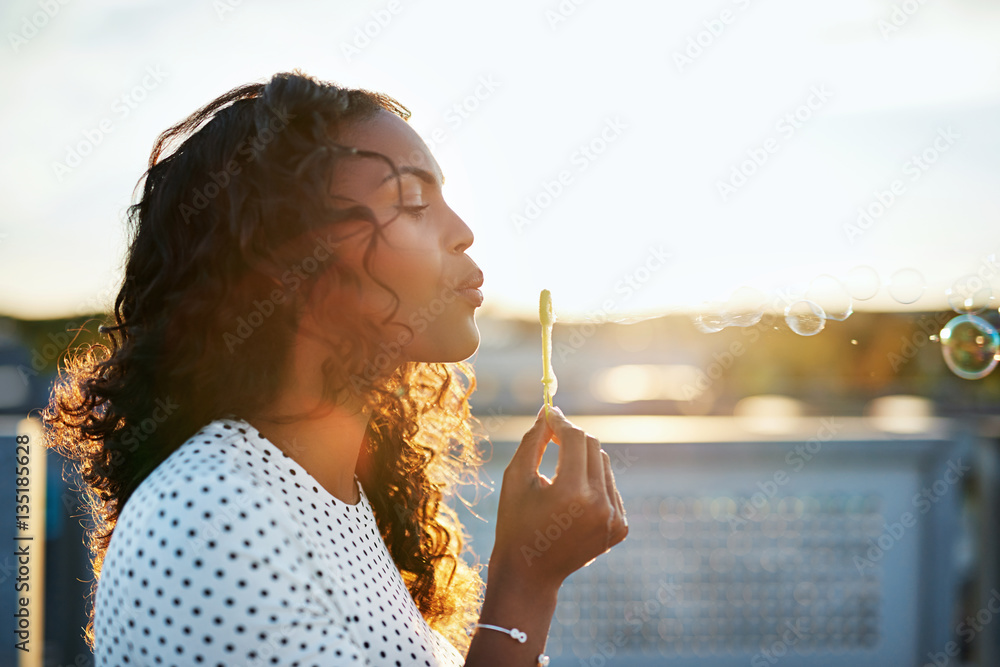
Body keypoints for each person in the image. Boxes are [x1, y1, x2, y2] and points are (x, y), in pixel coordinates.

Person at [44, 70, 629, 667]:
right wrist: (524, 585)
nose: (463, 233)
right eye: (413, 204)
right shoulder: (214, 519)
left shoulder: (330, 495)